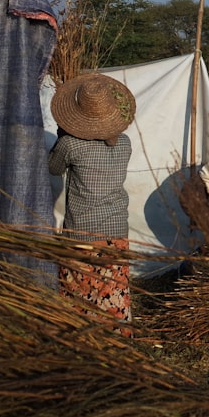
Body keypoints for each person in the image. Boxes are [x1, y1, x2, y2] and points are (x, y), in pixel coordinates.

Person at [48, 72, 136, 336]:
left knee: (77, 288)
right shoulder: (126, 143)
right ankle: (118, 337)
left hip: (82, 232)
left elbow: (53, 168)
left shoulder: (70, 144)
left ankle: (81, 337)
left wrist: (62, 136)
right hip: (117, 228)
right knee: (114, 286)